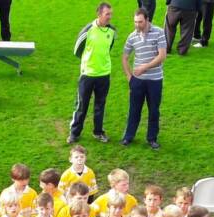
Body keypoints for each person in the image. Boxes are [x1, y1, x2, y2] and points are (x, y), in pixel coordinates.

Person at [68, 2, 117, 145]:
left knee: (100, 105)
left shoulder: (112, 32)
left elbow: (109, 48)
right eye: (107, 14)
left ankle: (98, 132)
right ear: (99, 14)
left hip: (104, 74)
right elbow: (77, 50)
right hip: (87, 75)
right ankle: (74, 133)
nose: (110, 17)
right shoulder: (88, 30)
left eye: (110, 14)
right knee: (81, 105)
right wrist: (87, 62)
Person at [121, 7, 166, 149]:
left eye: (140, 22)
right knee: (134, 109)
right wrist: (130, 77)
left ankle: (152, 138)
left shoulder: (158, 33)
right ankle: (128, 137)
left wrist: (144, 67)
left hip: (155, 80)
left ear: (147, 20)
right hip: (137, 81)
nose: (137, 25)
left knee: (154, 110)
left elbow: (162, 56)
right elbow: (124, 57)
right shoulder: (132, 36)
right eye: (135, 22)